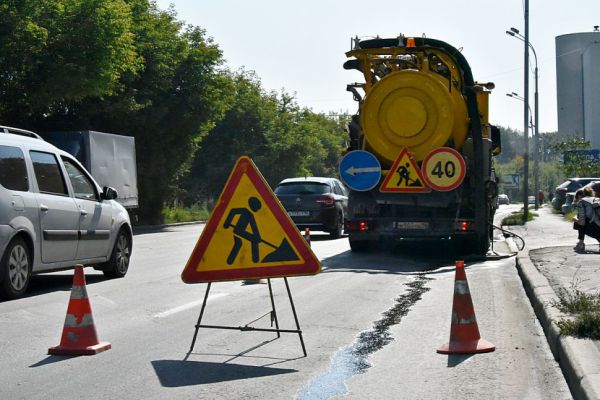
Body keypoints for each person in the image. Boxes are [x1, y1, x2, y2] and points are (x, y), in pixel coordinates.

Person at [572, 187, 600, 252]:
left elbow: (582, 222)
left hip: (596, 229)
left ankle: (581, 244)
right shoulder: (597, 199)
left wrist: (575, 219)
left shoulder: (582, 202)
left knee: (578, 223)